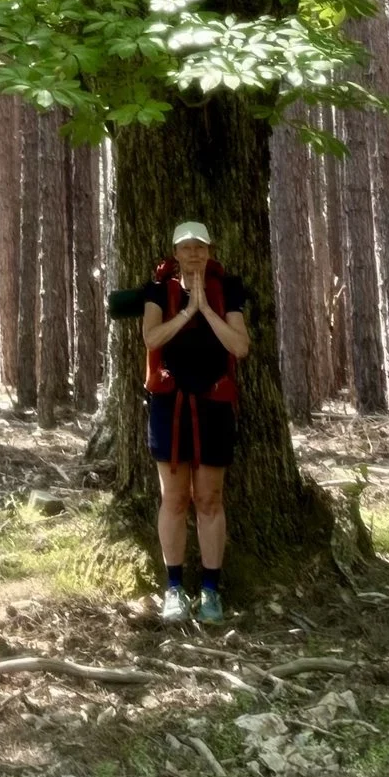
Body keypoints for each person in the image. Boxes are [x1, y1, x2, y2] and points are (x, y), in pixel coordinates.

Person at [140, 220, 249, 622]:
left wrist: (206, 308)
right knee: (174, 498)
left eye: (199, 247)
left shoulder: (228, 290)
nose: (193, 254)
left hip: (213, 405)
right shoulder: (157, 290)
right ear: (174, 252)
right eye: (185, 247)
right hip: (170, 405)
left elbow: (239, 345)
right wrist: (187, 311)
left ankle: (210, 590)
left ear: (210, 250)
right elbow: (152, 338)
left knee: (209, 498)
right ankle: (172, 588)